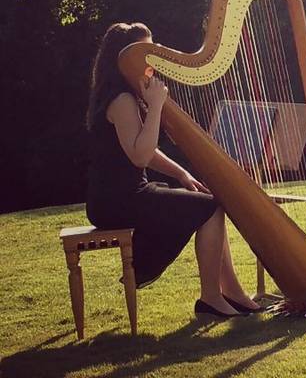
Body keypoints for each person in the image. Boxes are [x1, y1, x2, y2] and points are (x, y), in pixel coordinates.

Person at [85, 22, 262, 318]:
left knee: (208, 204)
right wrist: (155, 106)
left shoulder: (121, 95)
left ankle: (231, 292)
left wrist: (182, 174)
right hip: (118, 200)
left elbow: (144, 151)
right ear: (124, 59)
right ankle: (212, 297)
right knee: (210, 207)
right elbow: (140, 157)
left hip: (121, 195)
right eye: (146, 54)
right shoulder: (123, 100)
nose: (152, 63)